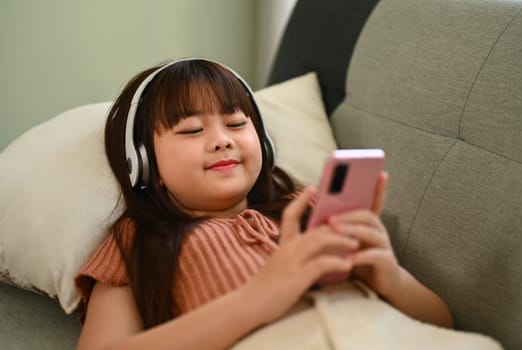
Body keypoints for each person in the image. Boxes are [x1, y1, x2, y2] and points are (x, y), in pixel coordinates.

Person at [74, 58, 453, 350]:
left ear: (265, 144)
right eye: (192, 130)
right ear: (145, 163)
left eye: (236, 124)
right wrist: (257, 299)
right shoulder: (136, 241)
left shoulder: (308, 207)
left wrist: (391, 279)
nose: (222, 140)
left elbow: (443, 326)